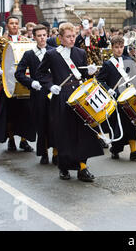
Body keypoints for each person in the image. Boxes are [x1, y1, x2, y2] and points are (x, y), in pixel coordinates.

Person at [37, 22, 104, 182]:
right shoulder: (52, 54)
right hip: (61, 96)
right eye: (68, 36)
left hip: (79, 96)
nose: (72, 39)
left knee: (83, 132)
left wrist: (90, 72)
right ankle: (64, 167)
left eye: (73, 36)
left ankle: (82, 167)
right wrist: (50, 85)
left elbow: (83, 76)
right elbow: (40, 73)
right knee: (65, 134)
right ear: (60, 38)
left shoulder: (80, 53)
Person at [0, 16, 36, 152]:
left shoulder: (27, 42)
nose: (14, 26)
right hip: (6, 83)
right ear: (7, 25)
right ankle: (11, 140)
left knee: (25, 113)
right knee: (9, 113)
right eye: (11, 23)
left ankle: (24, 140)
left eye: (16, 23)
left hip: (23, 82)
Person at [15, 25, 56, 165]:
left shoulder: (54, 51)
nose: (42, 38)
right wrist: (31, 82)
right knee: (42, 124)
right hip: (38, 93)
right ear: (34, 37)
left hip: (53, 92)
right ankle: (44, 153)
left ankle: (56, 153)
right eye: (39, 35)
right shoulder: (29, 54)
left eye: (44, 35)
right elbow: (18, 73)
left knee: (55, 123)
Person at [96, 36, 136, 161]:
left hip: (128, 96)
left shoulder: (129, 60)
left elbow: (135, 77)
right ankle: (115, 149)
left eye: (121, 47)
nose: (119, 50)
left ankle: (133, 150)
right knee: (117, 124)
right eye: (116, 47)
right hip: (115, 98)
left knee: (131, 123)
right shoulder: (108, 64)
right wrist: (108, 89)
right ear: (112, 48)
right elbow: (99, 80)